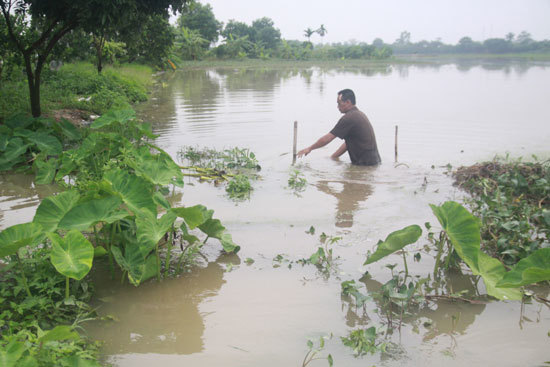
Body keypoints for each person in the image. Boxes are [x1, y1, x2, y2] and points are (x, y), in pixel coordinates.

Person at [297, 89, 381, 166]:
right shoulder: (359, 114)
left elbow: (328, 138)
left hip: (365, 165)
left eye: (339, 103)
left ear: (348, 102)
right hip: (373, 162)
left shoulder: (349, 118)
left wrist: (310, 148)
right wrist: (333, 157)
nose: (338, 107)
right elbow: (348, 144)